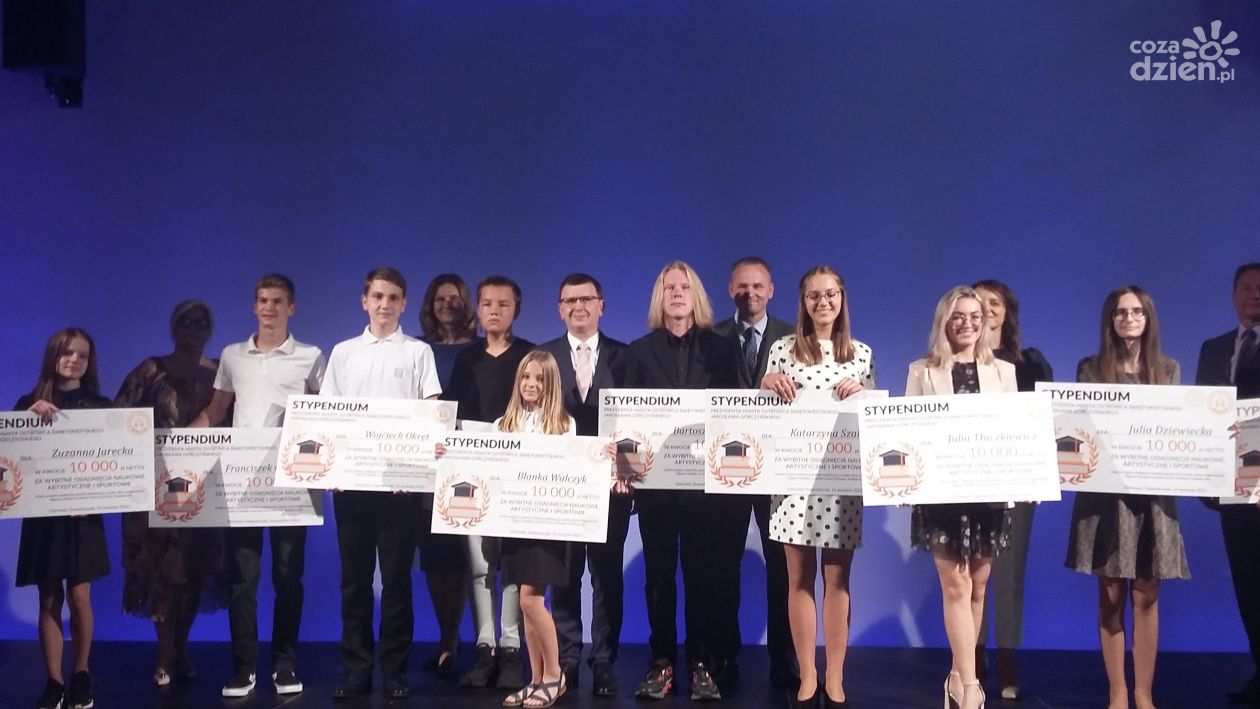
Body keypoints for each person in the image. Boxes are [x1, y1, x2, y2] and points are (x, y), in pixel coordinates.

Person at [189, 274, 326, 698]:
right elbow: (216, 410)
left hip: (292, 481)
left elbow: (326, 415)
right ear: (254, 306)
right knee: (242, 578)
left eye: (278, 301)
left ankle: (284, 665)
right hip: (241, 481)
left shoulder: (311, 357)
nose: (269, 308)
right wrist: (180, 444)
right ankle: (243, 668)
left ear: (292, 308)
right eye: (263, 300)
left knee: (288, 577)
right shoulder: (233, 356)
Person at [322, 267, 442, 700]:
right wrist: (332, 471)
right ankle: (356, 671)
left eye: (393, 297)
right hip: (352, 488)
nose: (384, 304)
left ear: (404, 303)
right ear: (364, 301)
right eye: (377, 296)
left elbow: (431, 414)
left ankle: (394, 673)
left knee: (396, 583)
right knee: (354, 583)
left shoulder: (417, 352)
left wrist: (416, 468)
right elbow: (328, 418)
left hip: (399, 489)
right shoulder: (343, 353)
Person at [624, 261, 741, 702]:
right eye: (669, 286)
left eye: (684, 286)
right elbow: (626, 418)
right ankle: (661, 662)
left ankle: (699, 663)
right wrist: (625, 469)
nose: (677, 293)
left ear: (697, 296)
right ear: (660, 295)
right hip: (655, 487)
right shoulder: (639, 352)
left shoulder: (722, 349)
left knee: (701, 577)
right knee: (658, 576)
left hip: (704, 487)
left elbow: (733, 413)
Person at [1067, 286, 1186, 709]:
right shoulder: (1090, 369)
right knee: (1112, 595)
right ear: (1110, 320)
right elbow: (1083, 428)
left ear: (1148, 319)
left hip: (1152, 496)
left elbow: (1177, 427)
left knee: (1146, 595)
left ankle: (1143, 693)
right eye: (1120, 312)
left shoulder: (1167, 369)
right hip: (1106, 497)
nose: (1129, 318)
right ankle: (1117, 692)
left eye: (1137, 312)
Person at [761, 266, 873, 709]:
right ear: (803, 301)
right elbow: (765, 409)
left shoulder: (862, 354)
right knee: (799, 578)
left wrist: (863, 392)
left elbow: (875, 418)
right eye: (814, 295)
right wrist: (766, 383)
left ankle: (835, 673)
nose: (823, 302)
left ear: (842, 299)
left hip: (842, 481)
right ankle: (808, 672)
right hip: (793, 480)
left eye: (831, 294)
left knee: (838, 579)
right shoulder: (782, 349)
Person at [905, 285, 1016, 709]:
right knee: (956, 585)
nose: (967, 324)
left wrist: (1029, 479)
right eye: (958, 316)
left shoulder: (1003, 372)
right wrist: (902, 481)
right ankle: (971, 686)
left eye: (975, 316)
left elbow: (1015, 434)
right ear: (944, 322)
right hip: (941, 495)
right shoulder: (922, 371)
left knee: (978, 588)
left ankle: (956, 675)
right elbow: (907, 433)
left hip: (989, 495)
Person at [116, 299, 226, 686]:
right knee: (162, 573)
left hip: (206, 489)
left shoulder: (221, 374)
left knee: (193, 571)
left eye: (200, 322)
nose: (192, 327)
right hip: (157, 489)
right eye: (185, 321)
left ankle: (181, 648)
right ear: (173, 327)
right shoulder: (150, 370)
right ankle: (164, 652)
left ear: (209, 330)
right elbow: (118, 418)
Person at [536, 273, 631, 696]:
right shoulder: (542, 357)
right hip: (560, 488)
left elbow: (637, 422)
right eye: (570, 300)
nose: (579, 306)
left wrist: (629, 470)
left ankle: (604, 660)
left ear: (601, 306)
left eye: (586, 299)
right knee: (564, 576)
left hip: (613, 489)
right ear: (560, 309)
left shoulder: (626, 357)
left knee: (607, 576)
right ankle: (568, 660)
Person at [446, 275, 535, 690]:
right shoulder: (466, 359)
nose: (494, 311)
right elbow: (451, 415)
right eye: (487, 304)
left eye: (503, 304)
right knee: (480, 565)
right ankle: (486, 647)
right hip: (474, 473)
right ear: (477, 309)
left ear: (516, 309)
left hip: (518, 473)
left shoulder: (530, 355)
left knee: (513, 564)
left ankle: (513, 648)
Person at [711, 257, 796, 691]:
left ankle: (784, 659)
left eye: (758, 286)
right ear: (730, 290)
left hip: (778, 470)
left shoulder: (794, 339)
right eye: (742, 286)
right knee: (723, 567)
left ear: (771, 290)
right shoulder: (710, 339)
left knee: (783, 569)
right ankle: (724, 656)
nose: (750, 293)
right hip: (726, 469)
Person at [16, 328, 112, 709]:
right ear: (53, 355)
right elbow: (12, 461)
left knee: (79, 596)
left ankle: (81, 674)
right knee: (49, 597)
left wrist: (95, 497)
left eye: (82, 355)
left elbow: (114, 461)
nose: (74, 360)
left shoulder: (102, 408)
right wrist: (26, 420)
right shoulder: (27, 403)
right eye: (67, 352)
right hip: (44, 518)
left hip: (84, 516)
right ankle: (54, 682)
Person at [971, 279, 1055, 700]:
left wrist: (1039, 475)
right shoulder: (954, 362)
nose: (987, 309)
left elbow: (1046, 422)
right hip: (967, 479)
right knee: (972, 576)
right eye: (979, 302)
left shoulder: (1031, 363)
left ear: (1008, 312)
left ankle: (1006, 655)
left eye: (995, 302)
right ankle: (973, 655)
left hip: (1017, 481)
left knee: (1008, 573)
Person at [496, 351, 578, 708]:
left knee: (532, 600)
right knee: (524, 602)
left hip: (549, 523)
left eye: (539, 379)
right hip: (515, 522)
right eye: (526, 377)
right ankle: (535, 678)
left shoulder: (564, 425)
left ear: (551, 384)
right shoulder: (503, 424)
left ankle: (555, 675)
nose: (531, 384)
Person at [1196, 263, 1260, 706]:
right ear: (1234, 294)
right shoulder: (1214, 348)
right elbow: (1201, 413)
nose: (1254, 294)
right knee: (1247, 584)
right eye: (1247, 287)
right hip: (1232, 489)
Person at [417, 273, 479, 678]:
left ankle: (489, 643)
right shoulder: (416, 350)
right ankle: (447, 640)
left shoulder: (481, 349)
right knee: (438, 558)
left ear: (466, 304)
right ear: (429, 304)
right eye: (439, 299)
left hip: (474, 458)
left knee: (475, 557)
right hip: (428, 462)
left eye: (454, 298)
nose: (447, 305)